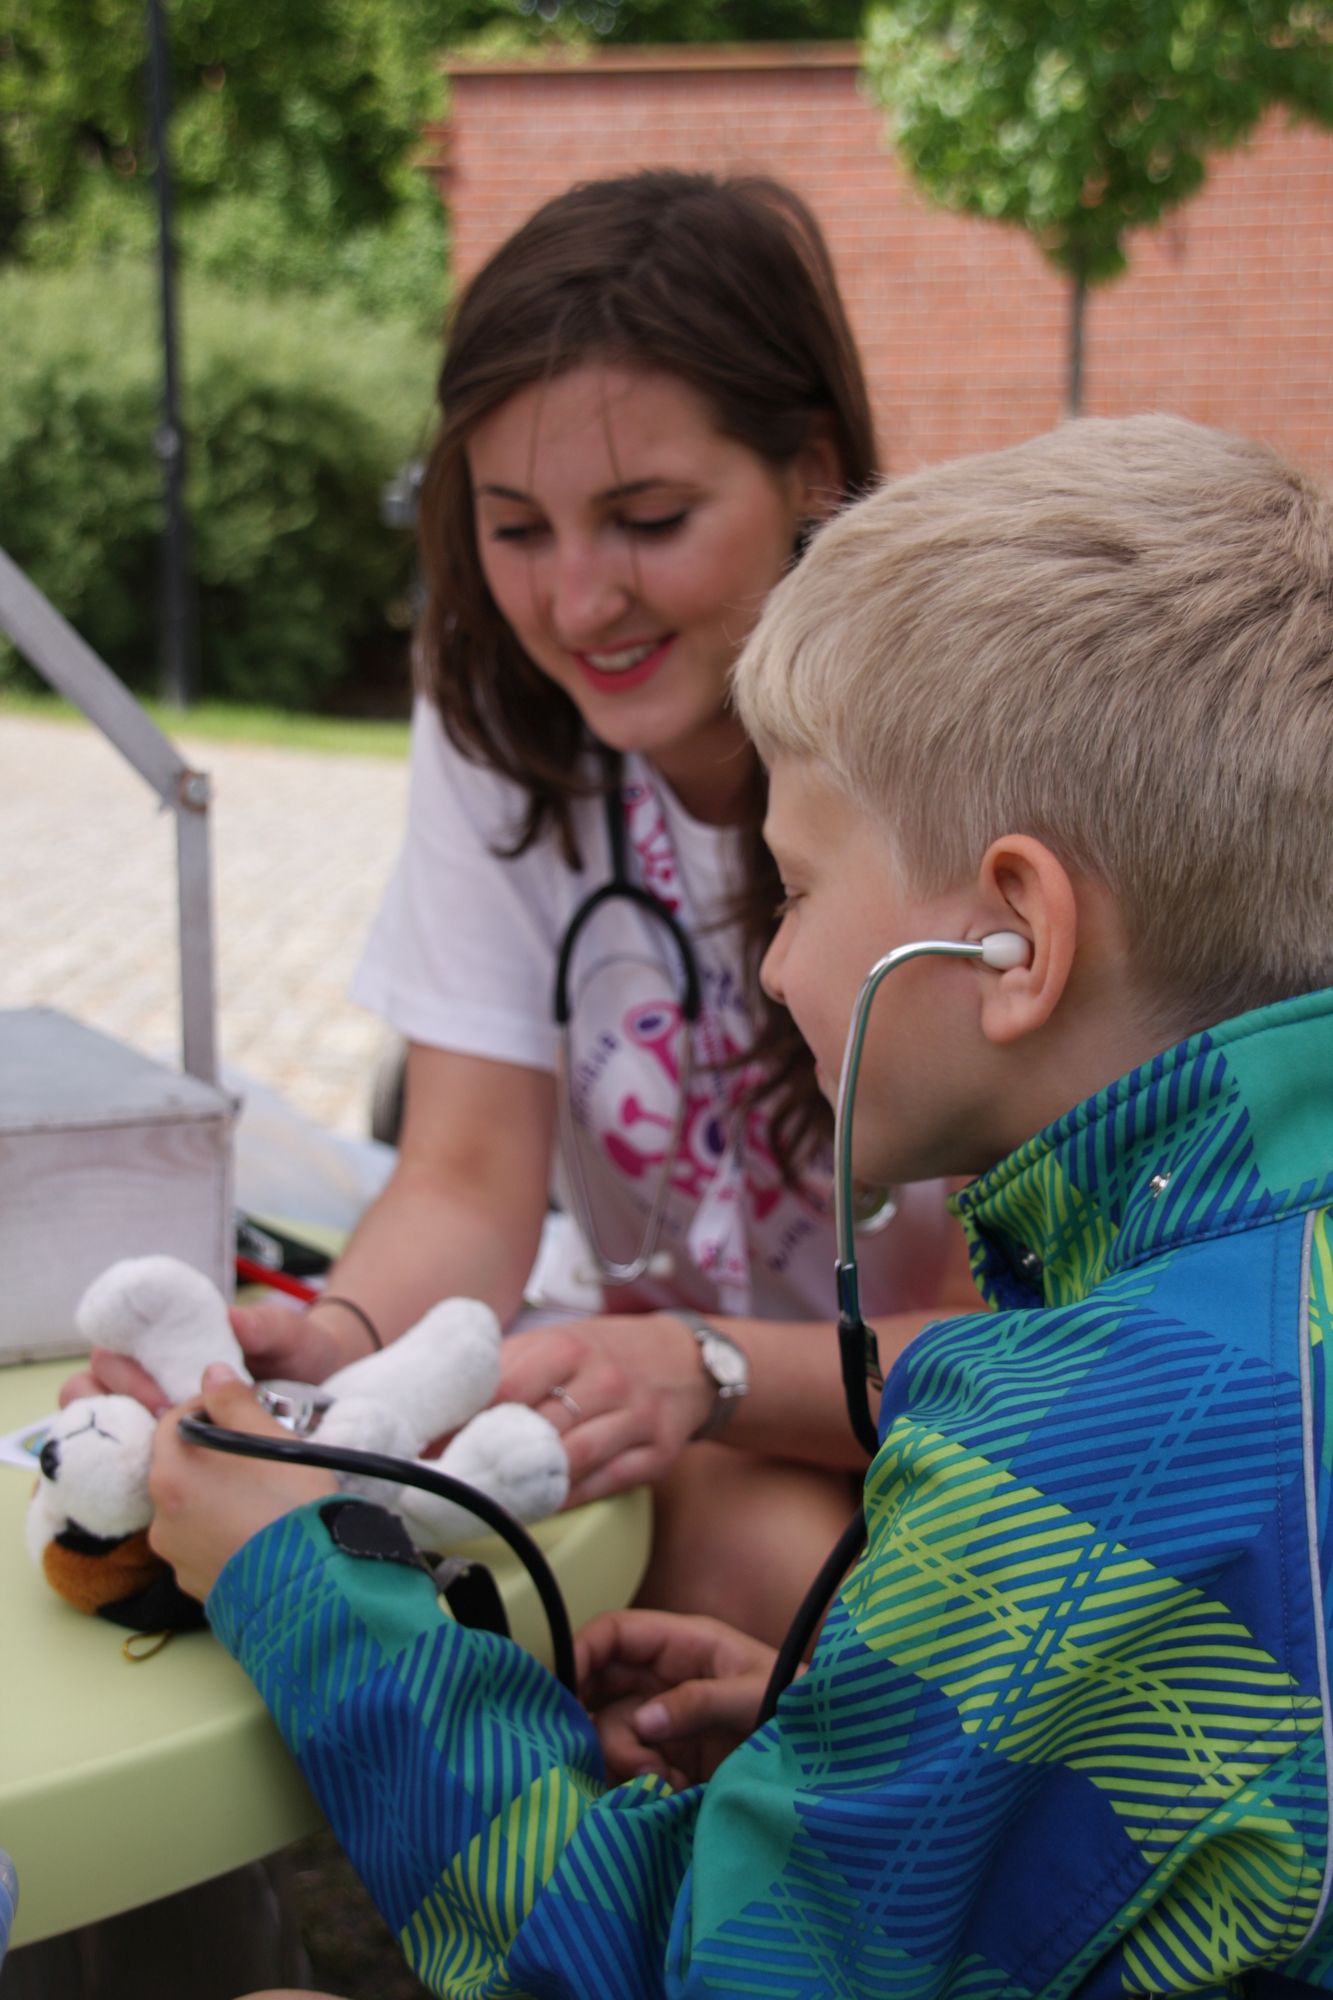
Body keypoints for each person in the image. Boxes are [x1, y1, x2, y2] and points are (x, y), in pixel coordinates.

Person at [149, 412, 1333, 1995]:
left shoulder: (1080, 1455)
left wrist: (305, 1583)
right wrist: (843, 1738)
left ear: (1012, 940)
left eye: (796, 890)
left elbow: (667, 1977)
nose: (773, 965)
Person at [68, 169, 977, 1643]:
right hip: (678, 1422)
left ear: (814, 469)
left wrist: (708, 1368)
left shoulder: (969, 741)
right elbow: (469, 1171)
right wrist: (338, 1347)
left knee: (796, 1580)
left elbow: (1047, 1343)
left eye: (648, 517)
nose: (576, 603)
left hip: (972, 1445)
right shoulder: (500, 706)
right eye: (516, 528)